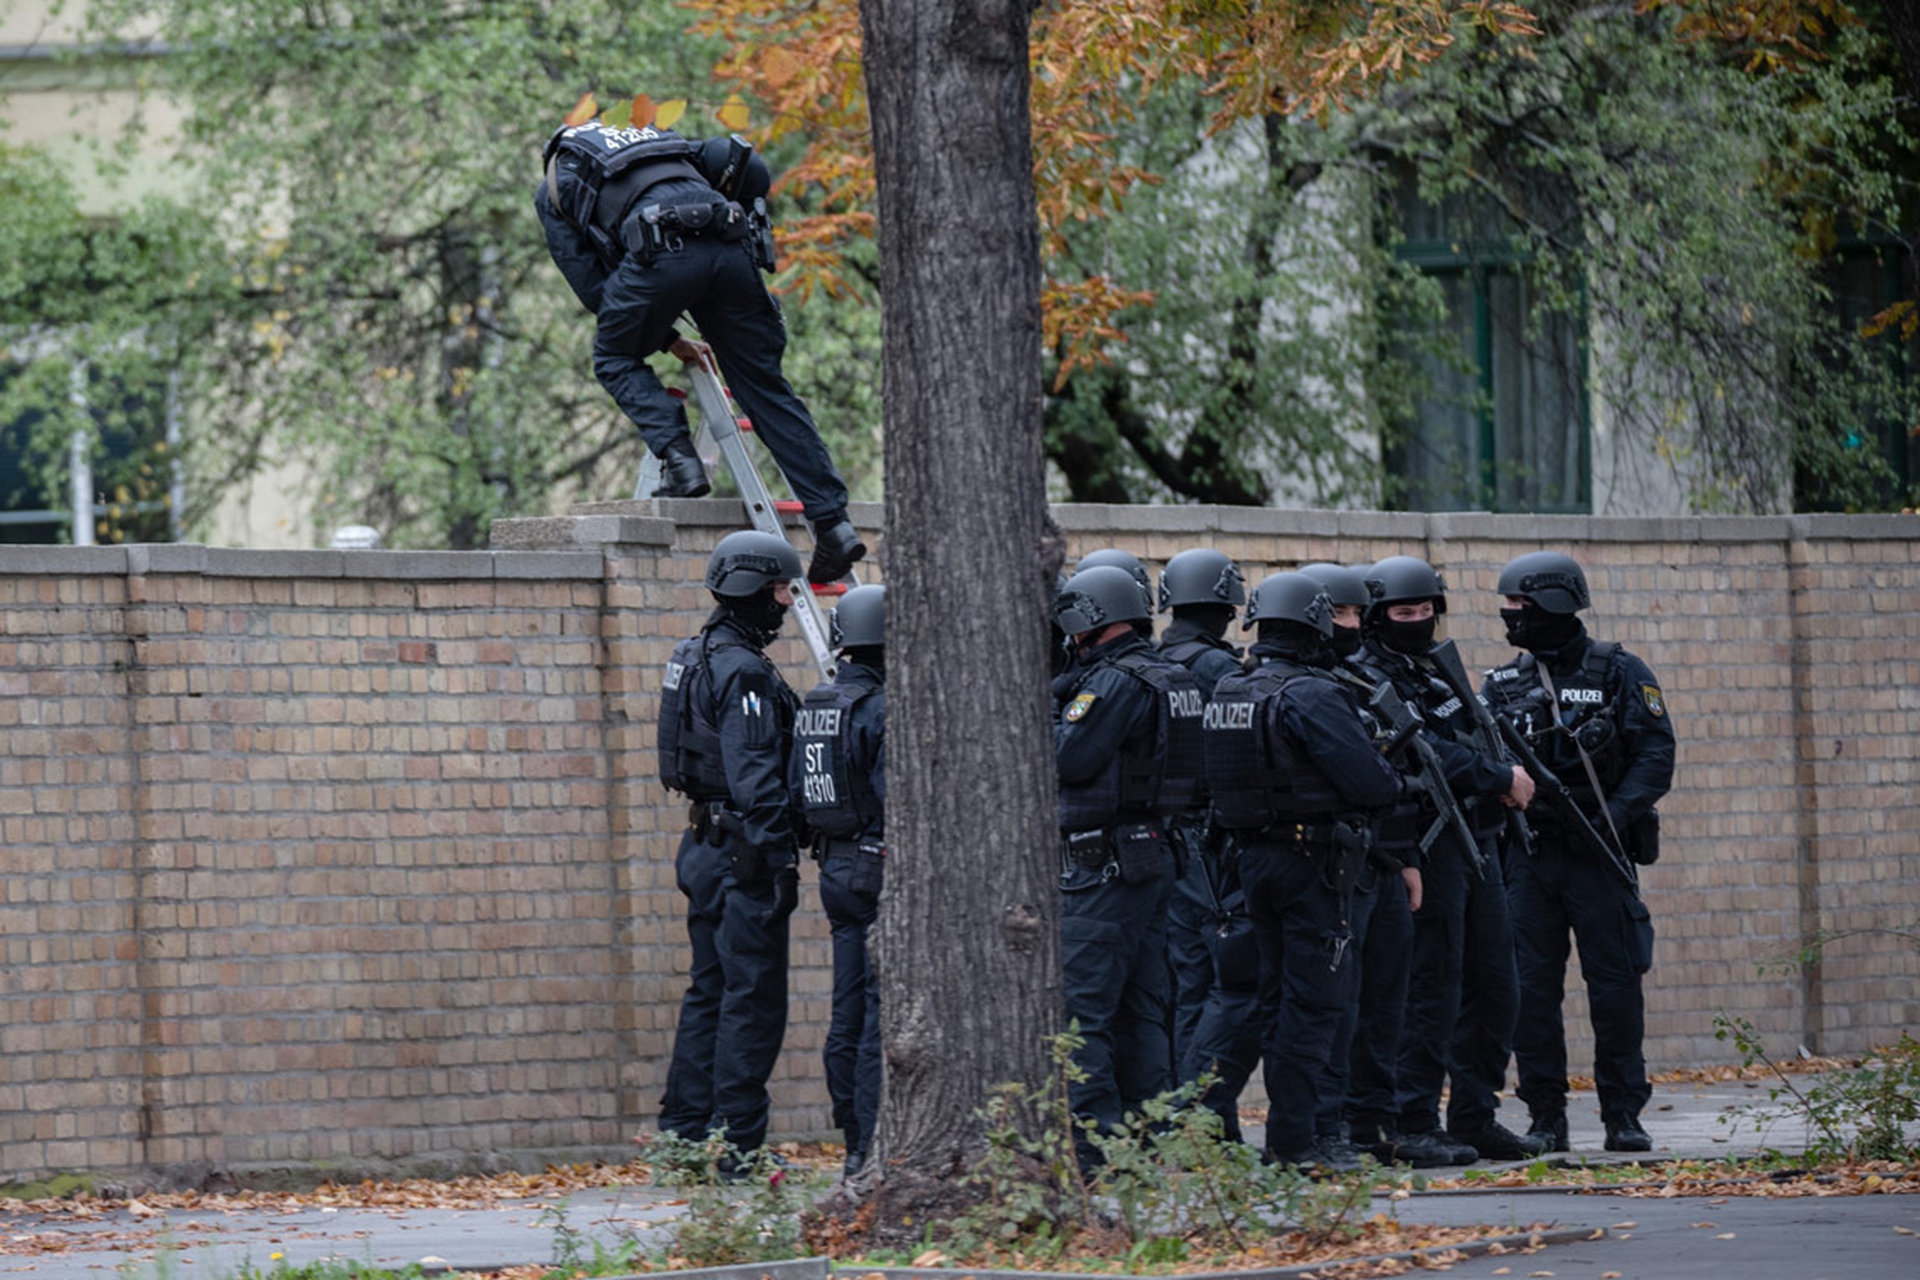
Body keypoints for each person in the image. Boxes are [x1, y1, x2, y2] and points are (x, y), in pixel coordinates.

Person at [534, 118, 865, 583]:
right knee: (765, 389)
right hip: (729, 248)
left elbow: (593, 287)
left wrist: (661, 337)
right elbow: (742, 162)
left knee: (613, 357)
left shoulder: (554, 185)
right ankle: (834, 525)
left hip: (658, 255)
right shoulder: (659, 143)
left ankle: (681, 460)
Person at [1198, 571, 1401, 1172]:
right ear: (1314, 623)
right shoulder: (1313, 695)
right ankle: (1295, 1144)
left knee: (1266, 1000)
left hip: (1252, 863)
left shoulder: (1233, 690)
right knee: (1313, 1008)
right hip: (1313, 867)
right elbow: (1372, 784)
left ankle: (1201, 1115)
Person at [1482, 551, 1675, 1154]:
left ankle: (1623, 1112)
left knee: (1615, 987)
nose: (1511, 617)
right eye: (1508, 606)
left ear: (1556, 603)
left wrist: (1613, 818)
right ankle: (1545, 1116)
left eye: (1520, 606)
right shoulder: (1502, 683)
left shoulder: (1619, 671)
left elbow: (1655, 756)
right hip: (1531, 855)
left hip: (1599, 852)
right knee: (1530, 992)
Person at [1355, 555, 1541, 1165]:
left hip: (1479, 842)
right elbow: (1426, 752)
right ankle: (1414, 1119)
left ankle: (1474, 1114)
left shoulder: (1438, 674)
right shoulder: (1367, 677)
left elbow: (1468, 737)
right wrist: (1497, 776)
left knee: (1496, 986)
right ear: (1379, 616)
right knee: (1431, 989)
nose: (1417, 620)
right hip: (1429, 846)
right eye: (1404, 612)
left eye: (1426, 609)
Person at [656, 530, 806, 1160]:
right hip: (744, 853)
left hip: (705, 847)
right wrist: (779, 855)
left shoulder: (694, 653)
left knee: (710, 991)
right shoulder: (742, 670)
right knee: (751, 998)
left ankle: (686, 1138)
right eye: (778, 588)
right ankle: (738, 1145)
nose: (786, 601)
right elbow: (754, 775)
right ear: (751, 589)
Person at [1051, 565, 1205, 1167]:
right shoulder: (1175, 676)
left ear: (1087, 618)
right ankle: (1149, 1138)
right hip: (1152, 855)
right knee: (1144, 1007)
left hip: (1102, 865)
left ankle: (1093, 1150)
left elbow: (1069, 759)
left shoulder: (1111, 684)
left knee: (1082, 1009)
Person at [1299, 562, 1426, 1168]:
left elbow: (1397, 784)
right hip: (1331, 866)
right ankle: (1336, 1126)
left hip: (1380, 858)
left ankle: (1375, 1122)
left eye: (1354, 613)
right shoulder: (1307, 688)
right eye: (1341, 614)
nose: (1351, 625)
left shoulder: (1357, 680)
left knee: (1386, 1003)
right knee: (1337, 1006)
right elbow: (1364, 781)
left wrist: (1403, 858)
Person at [792, 584, 888, 1179]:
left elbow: (795, 792)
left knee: (846, 1011)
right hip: (878, 869)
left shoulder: (816, 703)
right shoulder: (882, 709)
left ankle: (852, 1141)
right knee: (880, 1015)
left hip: (834, 867)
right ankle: (871, 1144)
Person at [1155, 550, 1253, 1108]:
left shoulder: (1156, 658)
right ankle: (1196, 1114)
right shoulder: (1217, 669)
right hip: (1208, 844)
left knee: (1182, 981)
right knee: (1220, 983)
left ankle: (1181, 1113)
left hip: (1170, 836)